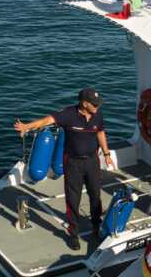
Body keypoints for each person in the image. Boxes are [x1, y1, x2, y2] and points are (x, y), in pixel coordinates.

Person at [13, 88, 114, 249]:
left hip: (92, 161)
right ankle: (73, 233)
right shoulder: (68, 114)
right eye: (94, 104)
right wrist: (27, 127)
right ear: (84, 103)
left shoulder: (98, 115)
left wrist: (107, 154)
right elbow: (47, 121)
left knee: (95, 196)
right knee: (73, 199)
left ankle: (96, 227)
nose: (97, 107)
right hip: (73, 163)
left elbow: (100, 133)